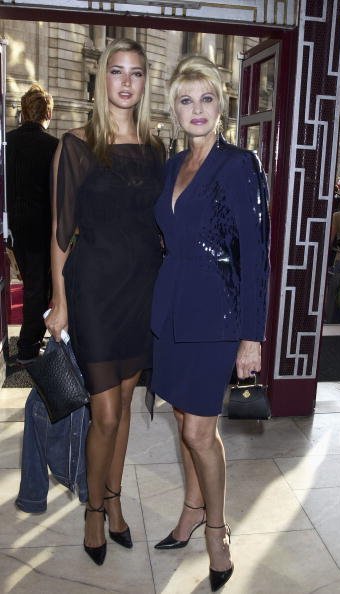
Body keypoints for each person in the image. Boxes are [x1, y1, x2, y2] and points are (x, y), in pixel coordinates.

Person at [150, 56, 269, 592]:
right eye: (185, 100)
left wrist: (252, 334)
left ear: (222, 105)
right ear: (174, 110)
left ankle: (216, 532)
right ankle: (191, 509)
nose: (196, 110)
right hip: (172, 308)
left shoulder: (239, 164)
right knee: (182, 421)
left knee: (201, 430)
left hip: (217, 314)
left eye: (206, 99)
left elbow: (256, 254)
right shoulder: (171, 166)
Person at [45, 38, 165, 566]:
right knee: (107, 412)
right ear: (103, 79)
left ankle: (114, 502)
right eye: (117, 72)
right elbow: (59, 231)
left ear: (144, 82)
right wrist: (59, 300)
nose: (126, 82)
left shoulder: (158, 147)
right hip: (93, 289)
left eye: (136, 73)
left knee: (124, 411)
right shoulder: (76, 144)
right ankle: (94, 508)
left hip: (143, 289)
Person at [6, 84, 59, 363]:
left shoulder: (7, 141)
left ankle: (30, 341)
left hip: (13, 228)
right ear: (47, 112)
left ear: (24, 112)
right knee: (38, 288)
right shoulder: (52, 146)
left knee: (31, 285)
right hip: (41, 229)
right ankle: (27, 348)